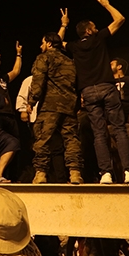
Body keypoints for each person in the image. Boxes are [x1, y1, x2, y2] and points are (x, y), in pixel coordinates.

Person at [62, 0, 129, 184]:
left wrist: (64, 25)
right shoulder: (98, 38)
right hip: (106, 87)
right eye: (94, 27)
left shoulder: (74, 46)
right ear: (89, 31)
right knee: (119, 129)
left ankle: (105, 173)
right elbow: (120, 19)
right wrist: (107, 5)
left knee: (98, 133)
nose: (97, 29)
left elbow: (56, 42)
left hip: (88, 91)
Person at [26, 31, 83, 184]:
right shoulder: (70, 61)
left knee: (42, 139)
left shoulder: (44, 58)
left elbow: (38, 81)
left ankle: (41, 174)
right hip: (69, 106)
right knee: (71, 139)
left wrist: (31, 102)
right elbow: (77, 85)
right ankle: (75, 173)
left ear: (49, 43)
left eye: (42, 43)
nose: (41, 46)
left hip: (50, 106)